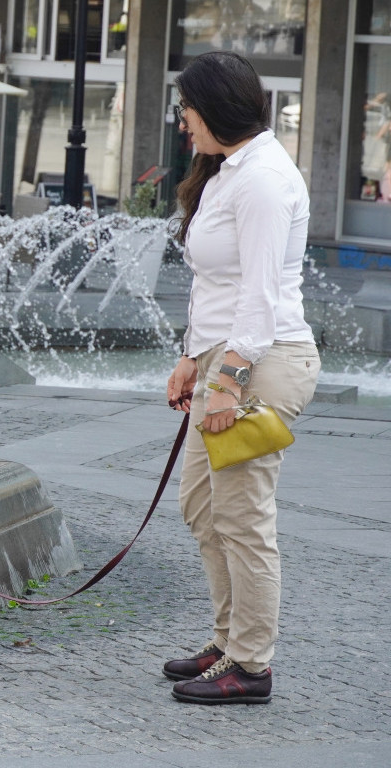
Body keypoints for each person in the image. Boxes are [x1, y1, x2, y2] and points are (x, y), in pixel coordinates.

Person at [164, 51, 319, 706]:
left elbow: (258, 295)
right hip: (226, 358)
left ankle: (250, 665)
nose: (181, 124)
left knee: (242, 515)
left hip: (261, 364)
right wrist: (190, 356)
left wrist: (226, 380)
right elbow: (219, 285)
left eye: (186, 110)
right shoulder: (231, 171)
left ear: (214, 106)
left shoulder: (262, 180)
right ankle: (229, 640)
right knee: (202, 506)